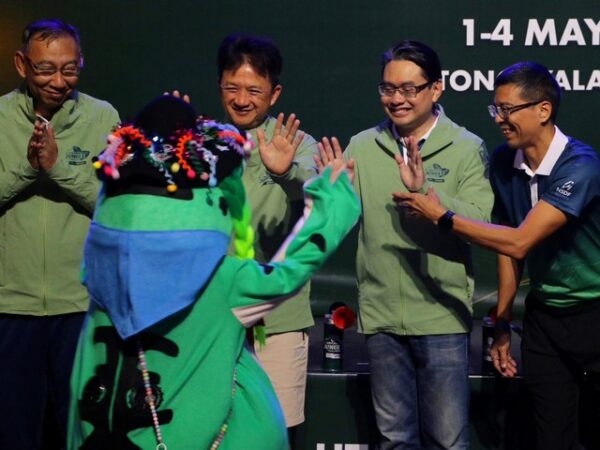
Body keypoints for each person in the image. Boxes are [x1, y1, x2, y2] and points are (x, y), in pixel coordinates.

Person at [67, 95, 360, 449]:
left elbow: (83, 374)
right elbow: (290, 271)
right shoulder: (222, 280)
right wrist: (334, 202)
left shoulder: (99, 272)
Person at [393, 61, 600, 450]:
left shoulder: (581, 166)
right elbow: (508, 248)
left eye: (508, 110)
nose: (499, 119)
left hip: (595, 312)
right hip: (545, 320)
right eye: (496, 109)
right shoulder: (505, 163)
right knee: (551, 438)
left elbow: (520, 241)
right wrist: (503, 321)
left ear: (543, 110)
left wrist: (443, 217)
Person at [317, 40, 493, 449]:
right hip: (381, 318)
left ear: (436, 89)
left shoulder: (466, 147)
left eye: (409, 89)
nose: (397, 99)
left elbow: (480, 221)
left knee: (448, 441)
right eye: (388, 88)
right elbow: (337, 222)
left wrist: (428, 195)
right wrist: (329, 193)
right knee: (394, 439)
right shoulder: (363, 145)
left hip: (441, 316)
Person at [0, 19, 119, 449]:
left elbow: (115, 205)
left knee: (80, 433)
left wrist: (58, 167)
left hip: (80, 306)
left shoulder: (102, 117)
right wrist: (27, 168)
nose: (58, 81)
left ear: (81, 63)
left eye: (69, 69)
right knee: (14, 433)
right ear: (22, 65)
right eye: (45, 69)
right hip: (11, 306)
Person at [217, 32, 318, 438]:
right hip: (213, 318)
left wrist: (284, 172)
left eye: (254, 90)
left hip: (277, 320)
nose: (241, 99)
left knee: (275, 434)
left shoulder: (297, 144)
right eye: (232, 88)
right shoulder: (201, 143)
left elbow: (315, 191)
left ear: (274, 94)